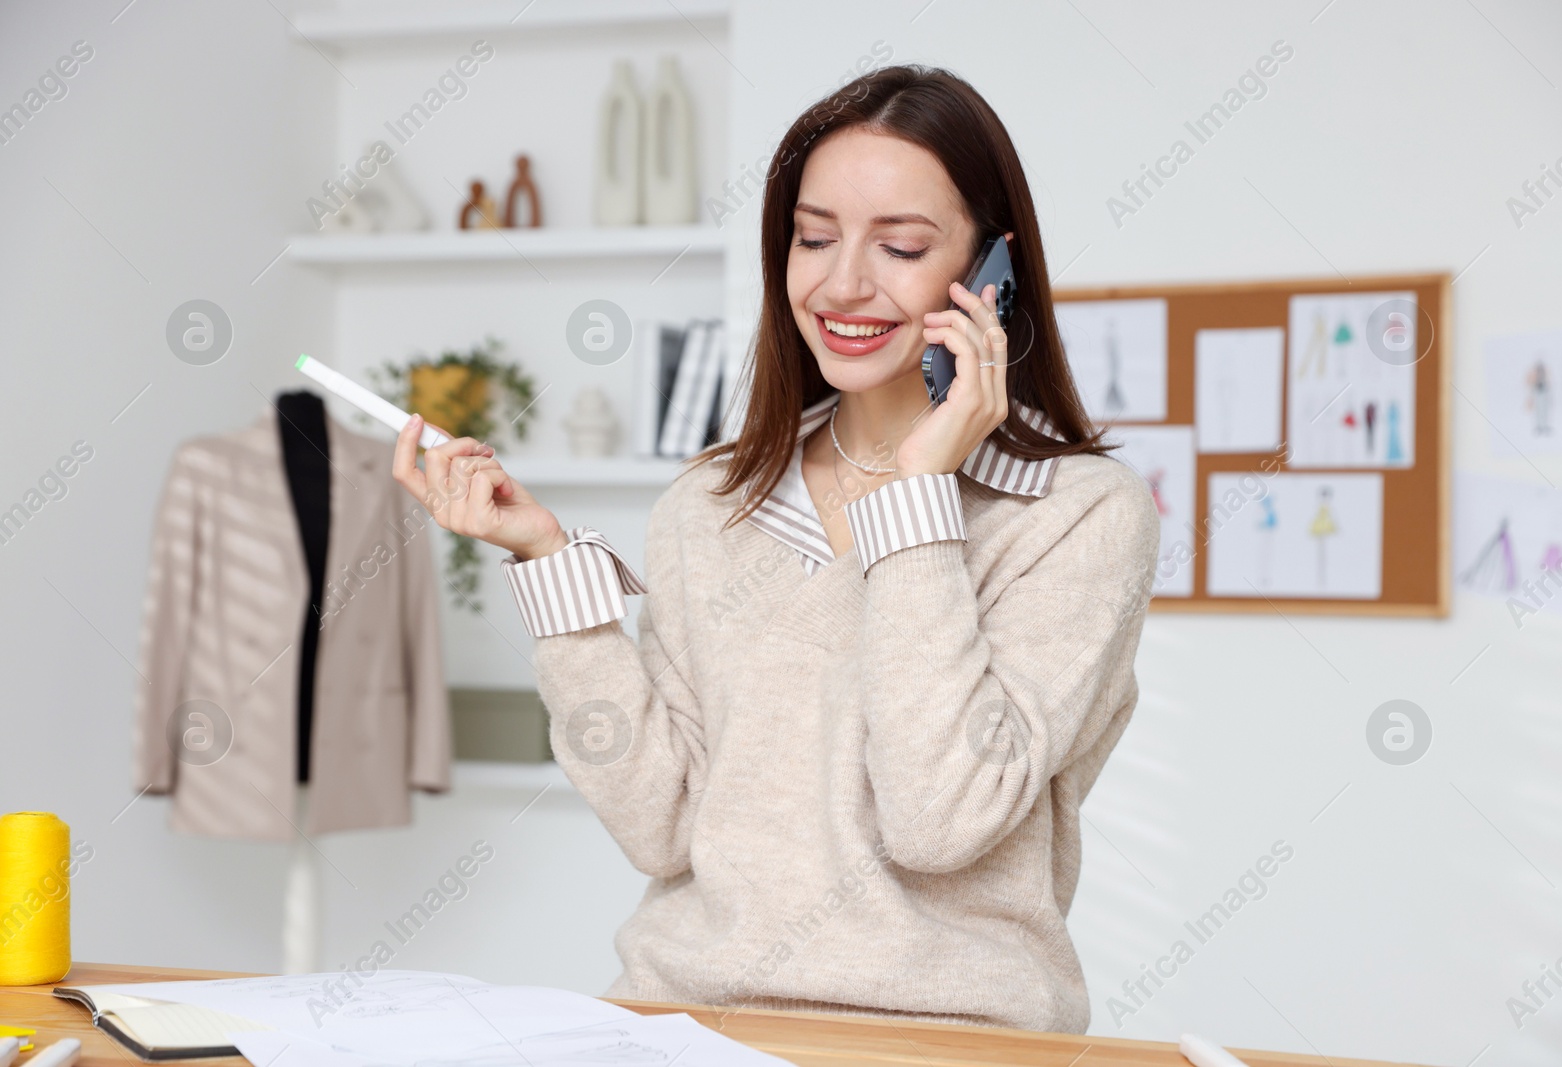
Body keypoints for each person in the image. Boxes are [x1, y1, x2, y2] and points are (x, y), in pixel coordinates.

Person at [391, 64, 1159, 1034]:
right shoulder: (713, 500)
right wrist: (548, 561)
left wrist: (919, 490)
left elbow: (941, 819)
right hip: (680, 1023)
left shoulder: (1077, 514)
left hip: (946, 1039)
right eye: (813, 237)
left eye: (902, 245)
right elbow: (660, 826)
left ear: (988, 270)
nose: (842, 283)